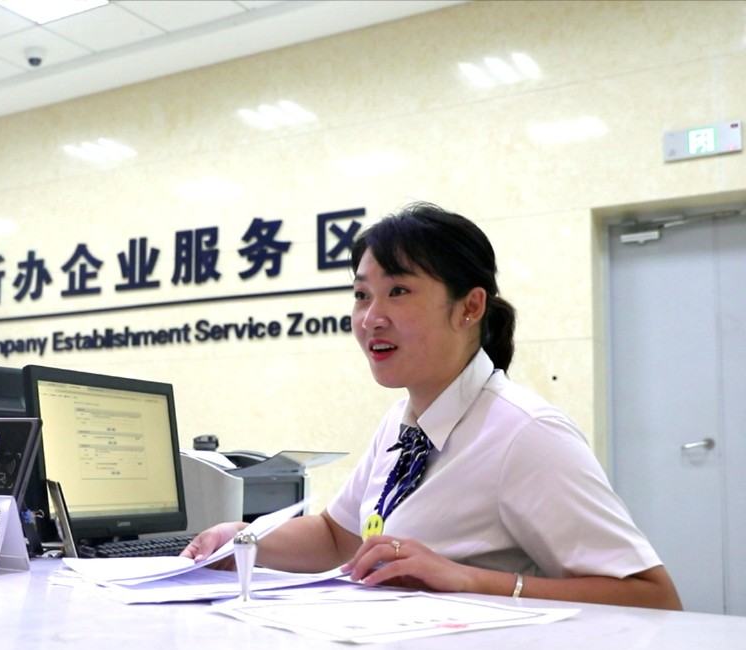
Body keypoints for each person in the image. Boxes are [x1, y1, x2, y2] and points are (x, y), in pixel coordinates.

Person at [183, 202, 681, 611]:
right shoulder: (401, 424)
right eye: (361, 295)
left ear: (470, 307)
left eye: (398, 291)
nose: (371, 318)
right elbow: (338, 537)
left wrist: (469, 579)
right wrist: (243, 539)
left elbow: (653, 597)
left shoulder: (526, 434)